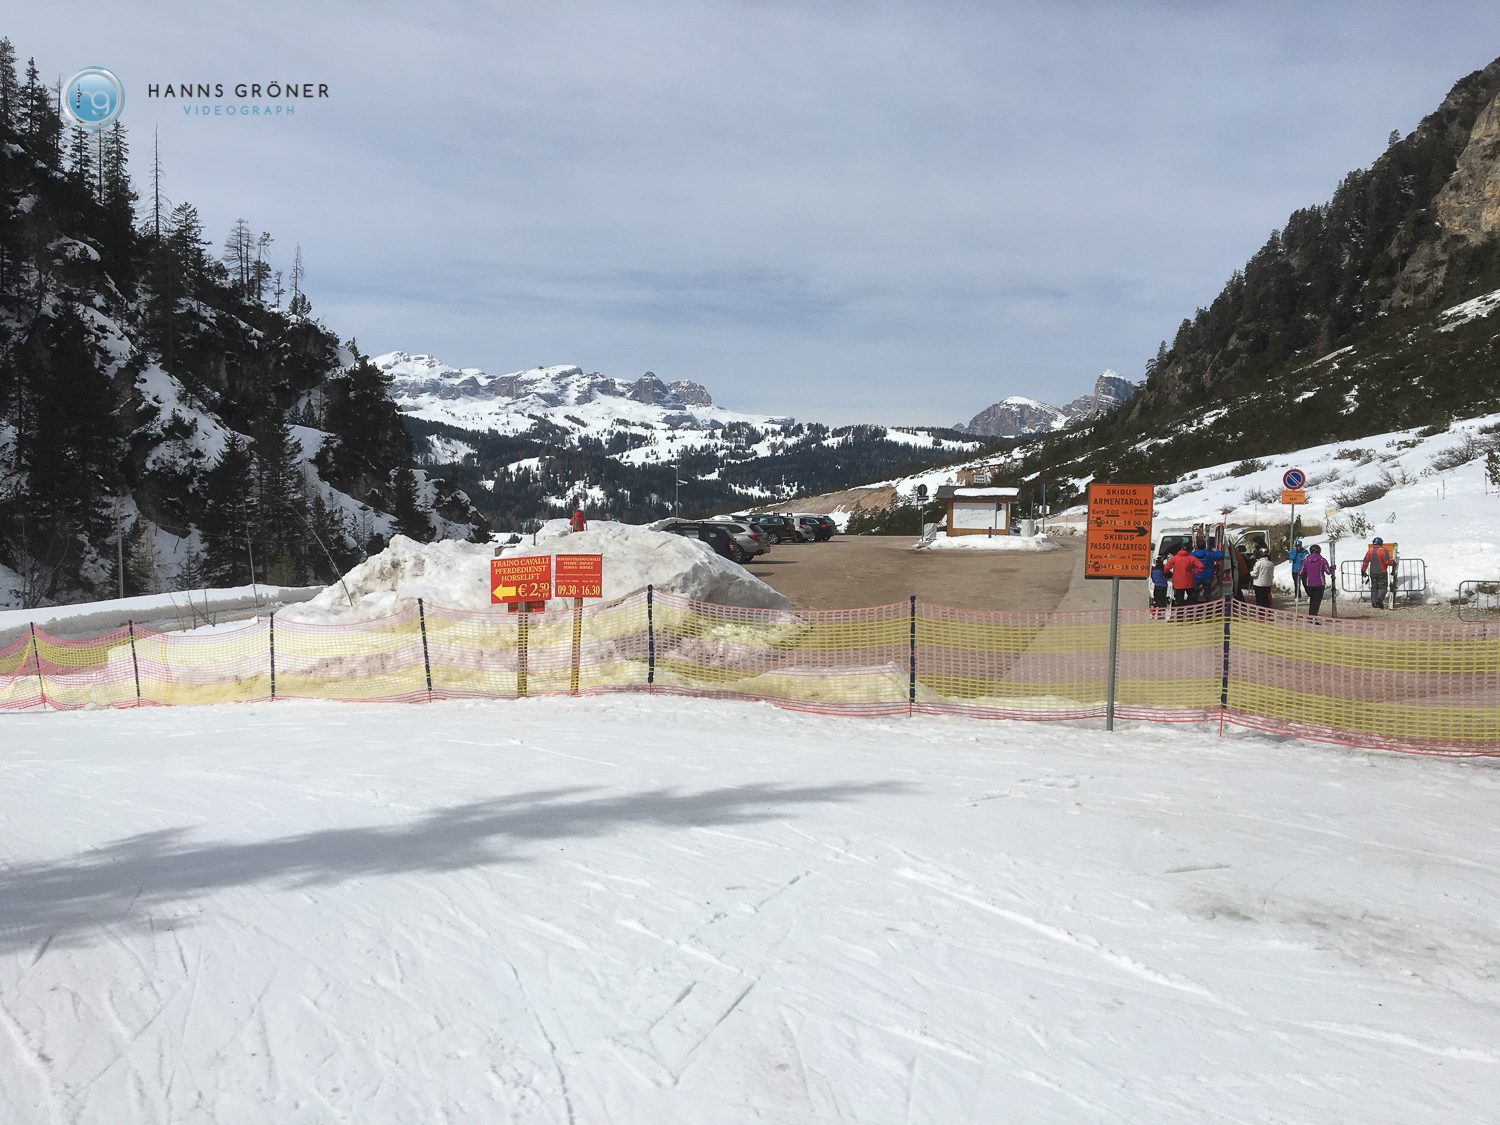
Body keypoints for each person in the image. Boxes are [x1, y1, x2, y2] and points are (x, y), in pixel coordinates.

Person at [1301, 544, 1332, 615]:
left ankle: (1311, 614)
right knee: (1317, 600)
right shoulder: (1322, 560)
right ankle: (1313, 615)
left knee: (1312, 599)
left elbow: (1301, 572)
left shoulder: (1306, 560)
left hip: (1309, 583)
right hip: (1319, 583)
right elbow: (1328, 571)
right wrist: (1332, 568)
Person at [1362, 537, 1392, 609]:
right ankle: (1379, 599)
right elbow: (1387, 562)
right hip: (1382, 571)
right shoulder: (1383, 551)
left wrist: (1363, 571)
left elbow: (1365, 562)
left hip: (1372, 572)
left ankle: (1374, 603)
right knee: (1383, 587)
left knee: (1374, 588)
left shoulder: (1369, 551)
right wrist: (1393, 563)